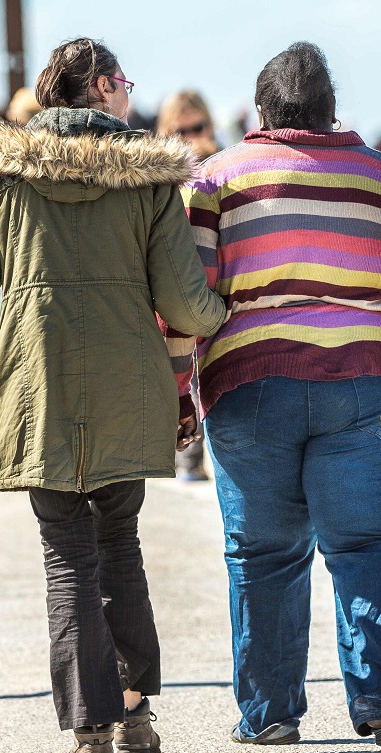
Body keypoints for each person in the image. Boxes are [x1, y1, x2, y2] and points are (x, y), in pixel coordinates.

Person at [0, 38, 226, 753]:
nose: (129, 92)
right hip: (129, 388)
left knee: (66, 554)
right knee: (118, 540)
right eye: (122, 80)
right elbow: (185, 301)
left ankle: (90, 733)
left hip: (37, 388)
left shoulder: (2, 176)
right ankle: (134, 713)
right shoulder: (149, 179)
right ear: (97, 88)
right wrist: (225, 314)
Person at [179, 42, 381, 748]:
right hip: (377, 389)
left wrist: (183, 387)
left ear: (261, 111)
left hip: (250, 384)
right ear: (333, 112)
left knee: (263, 552)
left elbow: (186, 298)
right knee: (372, 545)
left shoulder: (215, 180)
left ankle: (270, 713)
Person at [156, 90, 220, 481]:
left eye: (197, 128)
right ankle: (188, 453)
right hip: (177, 290)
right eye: (181, 131)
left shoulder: (224, 171)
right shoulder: (158, 181)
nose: (191, 139)